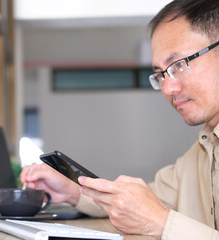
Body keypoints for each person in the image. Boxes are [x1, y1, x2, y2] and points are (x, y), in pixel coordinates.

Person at [20, 0, 219, 239]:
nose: (168, 88)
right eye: (160, 74)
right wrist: (74, 192)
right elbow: (153, 197)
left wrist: (161, 223)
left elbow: (155, 213)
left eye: (178, 65)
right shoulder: (203, 147)